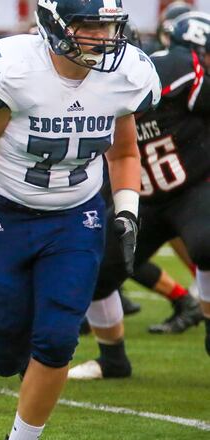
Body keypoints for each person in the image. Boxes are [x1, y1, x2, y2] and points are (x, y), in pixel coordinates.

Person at [0, 1, 158, 438]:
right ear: (55, 24)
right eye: (90, 26)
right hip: (6, 216)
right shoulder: (15, 71)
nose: (104, 38)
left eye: (109, 27)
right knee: (5, 356)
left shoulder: (126, 75)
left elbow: (124, 153)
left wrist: (127, 210)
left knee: (56, 341)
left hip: (76, 218)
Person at [69, 12, 210, 381]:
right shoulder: (80, 90)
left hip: (192, 187)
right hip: (140, 199)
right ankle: (113, 360)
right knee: (93, 271)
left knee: (206, 244)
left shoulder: (173, 69)